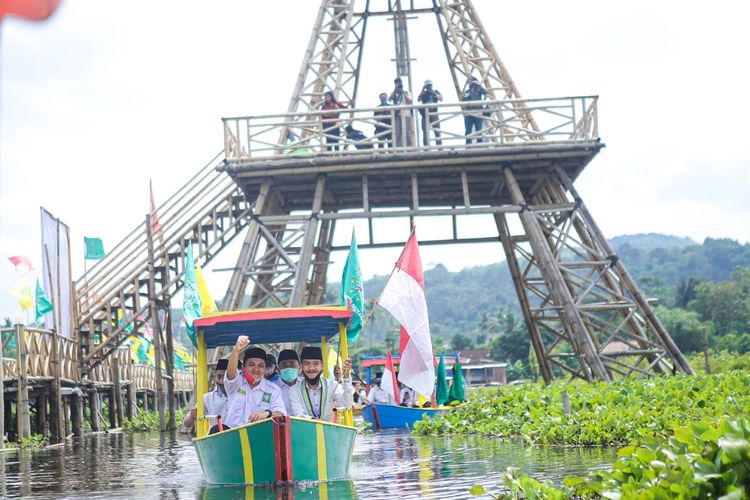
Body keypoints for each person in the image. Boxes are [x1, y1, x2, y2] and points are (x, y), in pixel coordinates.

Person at [218, 337, 286, 434]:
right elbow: (231, 372)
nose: (256, 369)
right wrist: (236, 350)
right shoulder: (236, 384)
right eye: (251, 364)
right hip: (232, 437)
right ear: (243, 367)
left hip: (259, 437)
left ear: (265, 368)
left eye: (261, 366)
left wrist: (267, 414)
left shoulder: (273, 390)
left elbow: (281, 414)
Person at [289, 346, 354, 422]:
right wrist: (315, 421)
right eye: (307, 364)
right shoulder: (294, 389)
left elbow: (346, 405)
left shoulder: (332, 385)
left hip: (330, 431)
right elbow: (298, 414)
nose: (311, 368)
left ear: (322, 366)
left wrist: (346, 377)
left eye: (316, 363)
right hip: (306, 431)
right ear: (301, 366)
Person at [182, 358, 229, 432]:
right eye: (219, 376)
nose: (222, 381)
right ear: (215, 377)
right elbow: (186, 423)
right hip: (217, 437)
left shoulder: (241, 394)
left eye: (226, 377)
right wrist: (192, 415)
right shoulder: (207, 398)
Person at [389, 77, 413, 147]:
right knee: (398, 133)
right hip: (397, 115)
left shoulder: (407, 92)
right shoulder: (394, 93)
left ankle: (409, 148)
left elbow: (410, 102)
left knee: (407, 132)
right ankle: (399, 149)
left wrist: (403, 93)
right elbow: (389, 99)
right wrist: (395, 90)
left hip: (406, 115)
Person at [417, 79, 443, 146]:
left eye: (430, 85)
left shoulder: (436, 92)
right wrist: (423, 89)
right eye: (427, 86)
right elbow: (419, 100)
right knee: (425, 132)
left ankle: (439, 146)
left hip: (434, 114)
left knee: (437, 131)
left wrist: (433, 92)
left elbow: (441, 99)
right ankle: (426, 148)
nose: (429, 87)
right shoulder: (424, 93)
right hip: (425, 115)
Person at [462, 76, 487, 144]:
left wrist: (478, 84)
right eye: (469, 81)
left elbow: (485, 92)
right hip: (468, 113)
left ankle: (480, 144)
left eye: (471, 80)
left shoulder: (479, 89)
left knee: (479, 129)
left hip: (478, 112)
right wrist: (464, 97)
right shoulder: (467, 91)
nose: (470, 82)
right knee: (468, 130)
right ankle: (468, 144)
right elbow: (463, 100)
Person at [275, 348, 301, 413]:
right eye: (284, 365)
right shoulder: (273, 388)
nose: (288, 368)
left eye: (292, 364)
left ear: (300, 366)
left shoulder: (305, 384)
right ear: (278, 369)